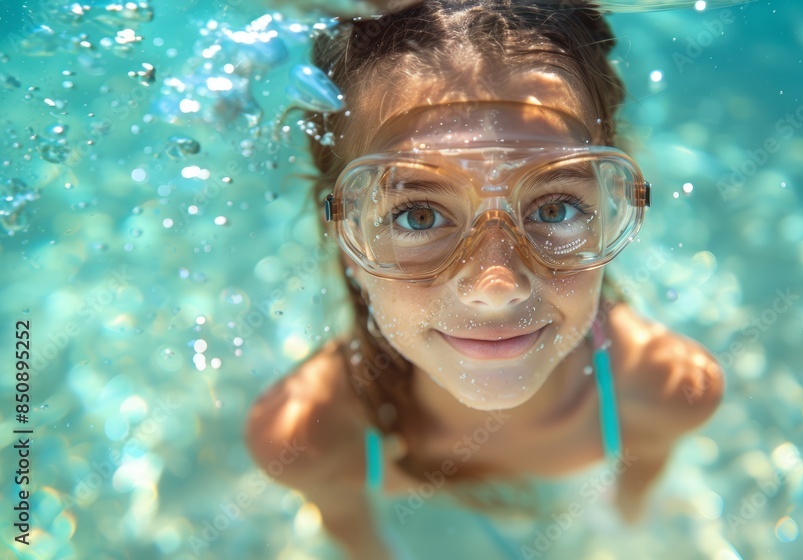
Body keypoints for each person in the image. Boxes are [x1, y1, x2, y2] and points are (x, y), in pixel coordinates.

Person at [245, 1, 723, 558]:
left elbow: (632, 516)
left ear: (612, 207)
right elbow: (361, 544)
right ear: (346, 237)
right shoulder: (309, 436)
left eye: (555, 208)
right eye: (418, 216)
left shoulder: (664, 391)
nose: (497, 285)